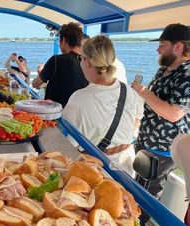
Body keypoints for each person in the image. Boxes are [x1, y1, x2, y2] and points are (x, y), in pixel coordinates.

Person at [63, 35, 140, 177]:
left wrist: (97, 151)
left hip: (95, 174)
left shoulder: (79, 99)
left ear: (88, 62)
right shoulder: (129, 91)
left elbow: (66, 145)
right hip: (126, 172)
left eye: (80, 58)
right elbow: (136, 120)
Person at [132, 23, 190, 199]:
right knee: (137, 191)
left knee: (145, 200)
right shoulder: (163, 70)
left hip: (161, 152)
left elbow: (174, 114)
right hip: (146, 144)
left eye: (162, 45)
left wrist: (143, 92)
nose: (158, 50)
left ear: (178, 46)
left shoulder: (187, 75)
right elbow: (154, 103)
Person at [32, 22, 88, 107]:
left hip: (55, 115)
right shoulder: (87, 63)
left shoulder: (56, 60)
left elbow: (35, 84)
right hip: (75, 114)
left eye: (59, 41)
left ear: (64, 40)